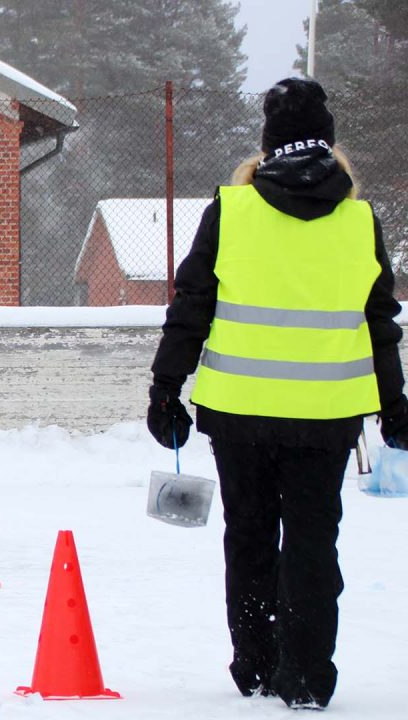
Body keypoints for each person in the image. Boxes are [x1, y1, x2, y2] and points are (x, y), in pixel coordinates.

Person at [146, 77, 407, 710]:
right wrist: (395, 406)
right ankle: (308, 675)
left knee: (251, 537)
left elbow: (192, 308)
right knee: (315, 543)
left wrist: (166, 388)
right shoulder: (360, 220)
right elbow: (380, 321)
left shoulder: (229, 210)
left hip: (238, 415)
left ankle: (255, 664)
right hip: (327, 418)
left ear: (267, 146)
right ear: (330, 144)